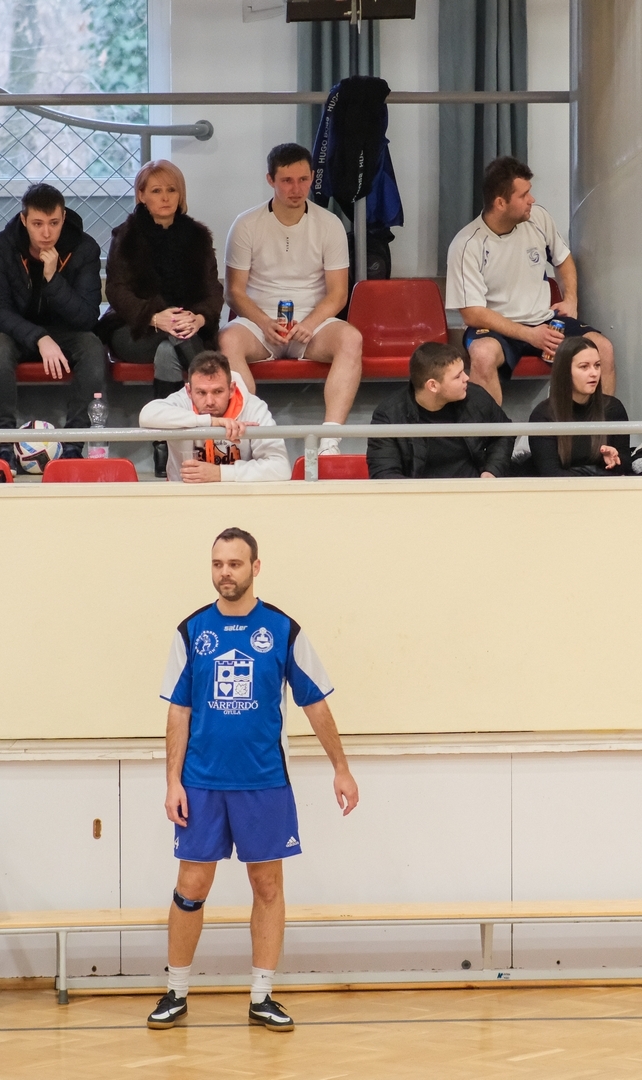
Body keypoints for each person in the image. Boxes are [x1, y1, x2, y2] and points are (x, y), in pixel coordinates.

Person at [148, 528, 358, 1034]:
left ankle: (262, 997)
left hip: (264, 783)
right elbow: (179, 711)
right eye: (218, 563)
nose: (225, 573)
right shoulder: (191, 631)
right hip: (201, 784)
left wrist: (341, 767)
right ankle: (176, 991)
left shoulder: (283, 630)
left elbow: (315, 702)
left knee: (267, 886)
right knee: (190, 886)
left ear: (255, 567)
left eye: (235, 564)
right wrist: (172, 781)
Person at [218, 143, 364, 455]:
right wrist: (264, 323)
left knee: (351, 339)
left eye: (303, 180)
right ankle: (249, 434)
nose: (296, 189)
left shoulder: (330, 224)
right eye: (286, 181)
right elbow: (234, 292)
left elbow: (338, 293)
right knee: (228, 340)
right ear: (270, 180)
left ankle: (330, 440)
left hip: (312, 323)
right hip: (259, 323)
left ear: (312, 177)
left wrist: (309, 324)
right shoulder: (246, 224)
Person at [445, 156, 616, 406]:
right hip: (497, 327)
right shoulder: (466, 245)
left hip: (544, 321)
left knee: (603, 348)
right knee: (482, 355)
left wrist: (570, 299)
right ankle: (490, 431)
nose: (532, 200)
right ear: (500, 203)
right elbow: (472, 314)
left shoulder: (538, 218)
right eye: (524, 195)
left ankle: (604, 427)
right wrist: (529, 335)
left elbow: (563, 260)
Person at [104, 159, 225, 478]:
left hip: (186, 328)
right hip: (135, 330)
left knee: (167, 352)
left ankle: (164, 444)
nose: (165, 197)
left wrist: (199, 318)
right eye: (156, 191)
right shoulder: (126, 236)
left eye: (172, 190)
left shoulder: (198, 237)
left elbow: (213, 291)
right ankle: (217, 405)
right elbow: (116, 291)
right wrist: (155, 317)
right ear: (141, 195)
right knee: (172, 340)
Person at [0, 183, 107, 469]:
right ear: (24, 220)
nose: (46, 233)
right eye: (37, 224)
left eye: (54, 223)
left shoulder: (84, 248)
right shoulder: (2, 246)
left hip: (65, 330)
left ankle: (73, 446)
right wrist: (39, 337)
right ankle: (3, 444)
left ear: (64, 217)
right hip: (15, 329)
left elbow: (87, 317)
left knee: (93, 347)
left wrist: (52, 279)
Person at [366, 342, 514, 480]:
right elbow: (384, 475)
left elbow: (504, 434)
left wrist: (492, 470)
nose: (466, 378)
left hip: (472, 490)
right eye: (458, 376)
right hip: (421, 495)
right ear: (433, 386)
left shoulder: (476, 397)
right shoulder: (388, 416)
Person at [138, 351, 290, 482]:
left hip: (237, 495)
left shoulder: (254, 407)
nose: (210, 401)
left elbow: (280, 468)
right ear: (189, 391)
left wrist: (220, 473)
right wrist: (211, 422)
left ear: (231, 389)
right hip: (185, 494)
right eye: (201, 393)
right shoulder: (181, 400)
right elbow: (146, 416)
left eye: (218, 392)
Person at [527, 336, 630, 477]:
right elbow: (550, 473)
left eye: (597, 365)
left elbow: (626, 464)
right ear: (565, 371)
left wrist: (615, 461)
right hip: (563, 489)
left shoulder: (613, 408)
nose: (594, 373)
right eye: (584, 367)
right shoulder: (543, 415)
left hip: (604, 487)